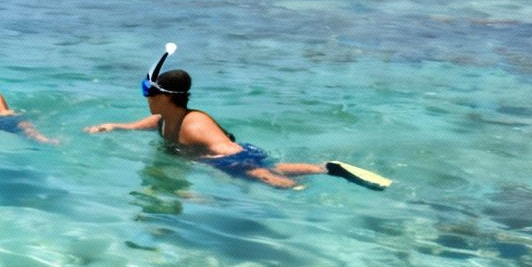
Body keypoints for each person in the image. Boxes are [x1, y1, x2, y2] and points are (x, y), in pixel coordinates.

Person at [85, 47, 388, 190]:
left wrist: (219, 165)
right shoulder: (165, 118)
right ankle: (326, 169)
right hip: (226, 155)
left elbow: (227, 149)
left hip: (233, 155)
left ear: (165, 97)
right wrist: (116, 127)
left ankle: (293, 186)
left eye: (149, 94)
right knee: (269, 168)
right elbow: (151, 124)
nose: (146, 99)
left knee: (261, 174)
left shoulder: (195, 124)